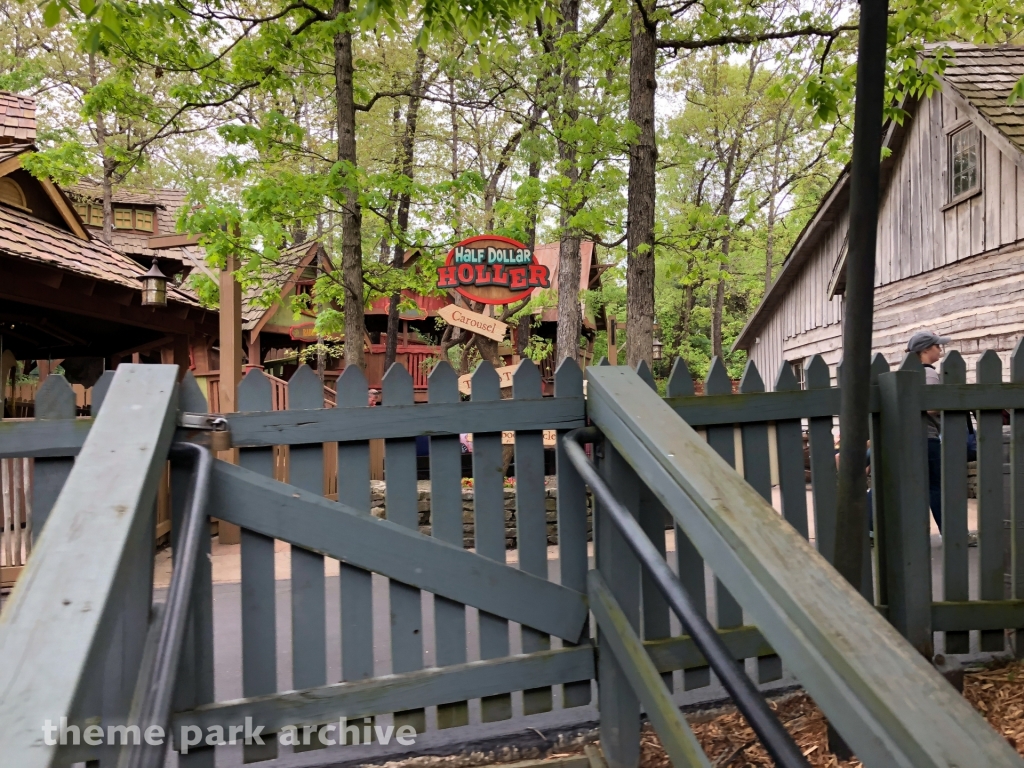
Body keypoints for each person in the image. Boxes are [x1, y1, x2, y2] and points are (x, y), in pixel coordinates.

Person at [907, 330, 950, 529]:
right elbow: (930, 406)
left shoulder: (911, 373)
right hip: (929, 438)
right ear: (925, 350)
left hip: (910, 438)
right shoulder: (929, 372)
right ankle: (947, 530)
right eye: (937, 346)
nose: (940, 349)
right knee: (935, 487)